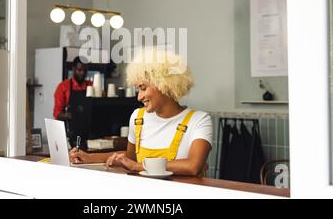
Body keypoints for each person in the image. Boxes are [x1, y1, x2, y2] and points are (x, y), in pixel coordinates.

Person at [69, 48, 213, 176]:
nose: (139, 97)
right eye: (138, 89)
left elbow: (193, 165)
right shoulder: (138, 117)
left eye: (143, 88)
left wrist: (138, 166)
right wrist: (88, 157)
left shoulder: (199, 120)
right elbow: (130, 158)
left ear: (164, 84)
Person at [53, 56, 92, 120]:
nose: (82, 73)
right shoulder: (63, 86)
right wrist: (74, 115)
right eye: (79, 70)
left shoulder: (91, 85)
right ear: (73, 69)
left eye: (85, 70)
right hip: (71, 127)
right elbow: (57, 114)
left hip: (88, 127)